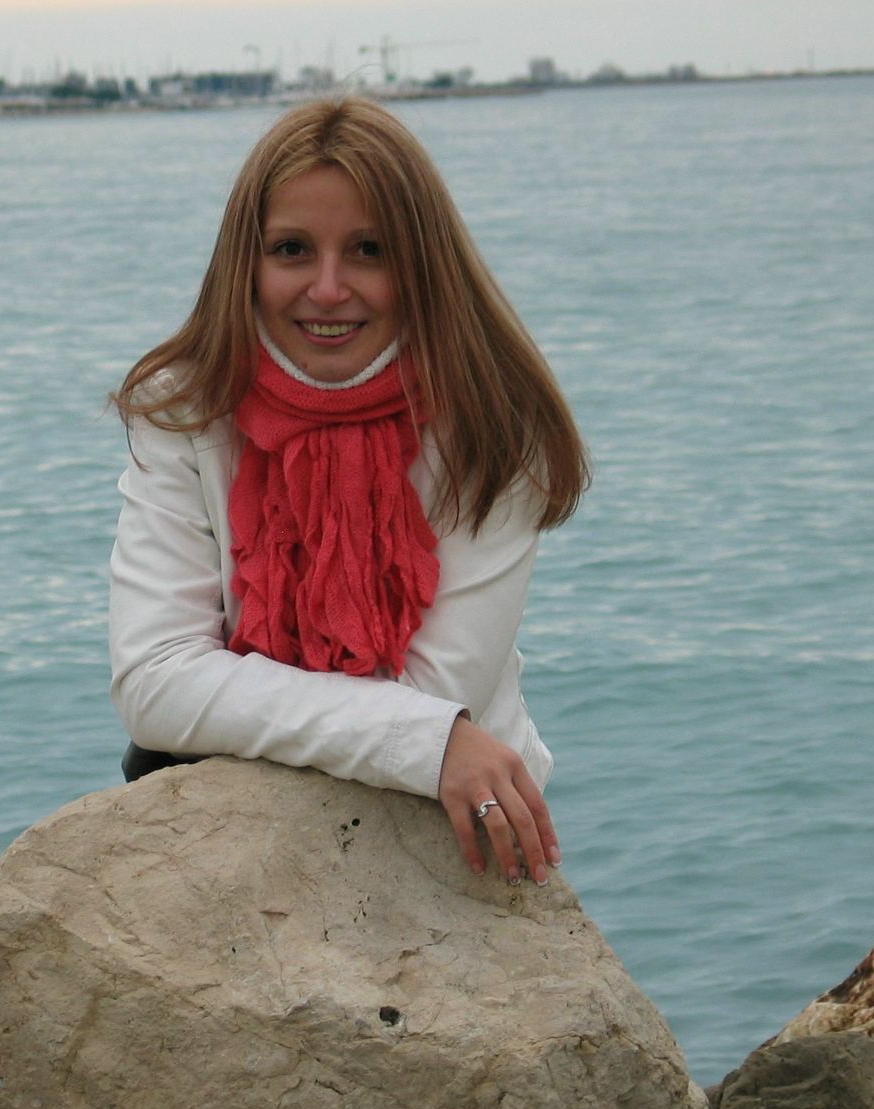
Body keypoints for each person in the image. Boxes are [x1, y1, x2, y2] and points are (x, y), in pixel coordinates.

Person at [109, 97, 589, 887]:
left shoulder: (496, 424)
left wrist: (232, 696)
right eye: (292, 250)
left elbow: (435, 692)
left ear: (422, 263)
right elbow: (154, 679)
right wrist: (432, 738)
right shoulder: (185, 408)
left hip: (445, 838)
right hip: (229, 825)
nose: (329, 289)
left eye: (369, 250)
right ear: (247, 262)